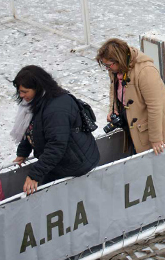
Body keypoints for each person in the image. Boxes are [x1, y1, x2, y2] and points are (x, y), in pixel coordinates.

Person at [11, 65, 100, 195]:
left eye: (25, 91)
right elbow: (32, 127)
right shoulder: (38, 101)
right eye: (20, 91)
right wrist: (23, 152)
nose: (21, 95)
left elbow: (56, 145)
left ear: (38, 88)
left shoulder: (56, 110)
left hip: (75, 164)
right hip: (60, 160)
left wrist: (35, 174)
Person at [97, 38, 165, 153]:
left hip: (156, 134)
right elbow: (113, 88)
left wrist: (155, 138)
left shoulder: (146, 71)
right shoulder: (115, 69)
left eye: (108, 65)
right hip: (135, 127)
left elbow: (155, 107)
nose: (107, 68)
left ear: (119, 60)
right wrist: (113, 108)